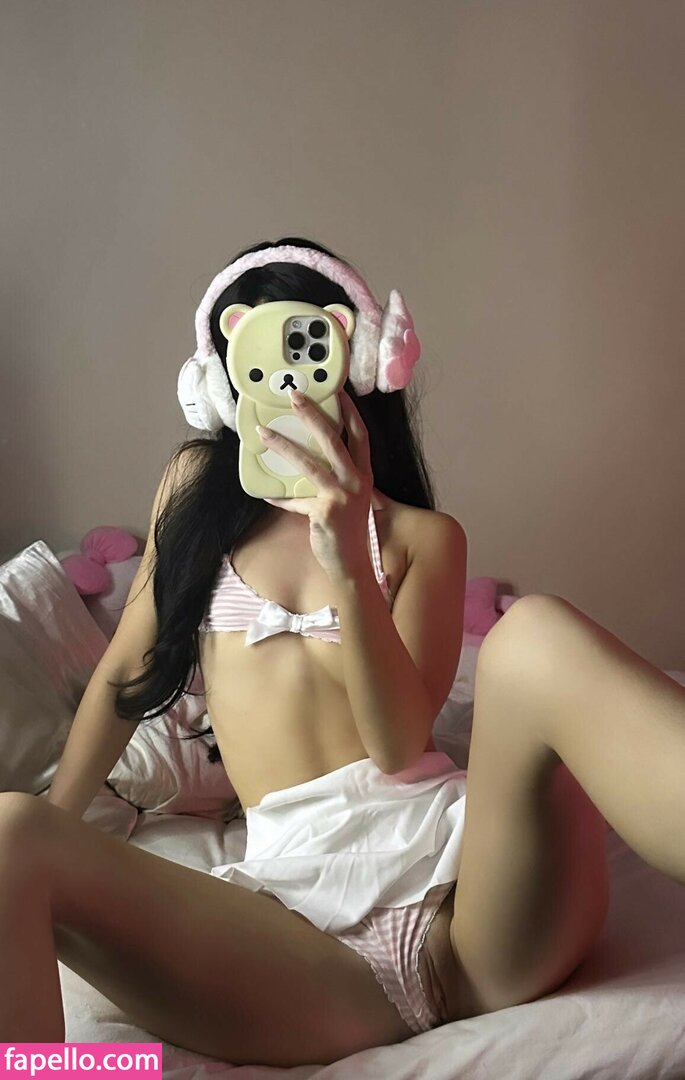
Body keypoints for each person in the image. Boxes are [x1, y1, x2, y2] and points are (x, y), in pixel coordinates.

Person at [1, 237, 684, 1069]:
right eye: (257, 362)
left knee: (532, 633)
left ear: (356, 364)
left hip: (473, 910)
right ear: (221, 381)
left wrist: (348, 552)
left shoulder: (423, 539)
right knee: (11, 832)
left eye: (308, 355)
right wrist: (62, 821)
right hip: (304, 944)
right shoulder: (193, 493)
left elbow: (398, 744)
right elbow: (124, 672)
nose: (287, 387)